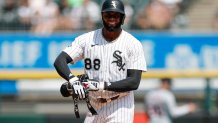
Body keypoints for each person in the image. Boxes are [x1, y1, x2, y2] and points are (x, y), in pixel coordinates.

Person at [53, 0, 147, 123]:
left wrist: (101, 85)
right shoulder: (86, 40)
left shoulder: (132, 44)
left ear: (123, 18)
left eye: (116, 15)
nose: (111, 18)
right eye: (108, 15)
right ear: (102, 16)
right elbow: (60, 60)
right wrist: (73, 79)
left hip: (120, 104)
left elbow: (134, 82)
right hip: (94, 105)